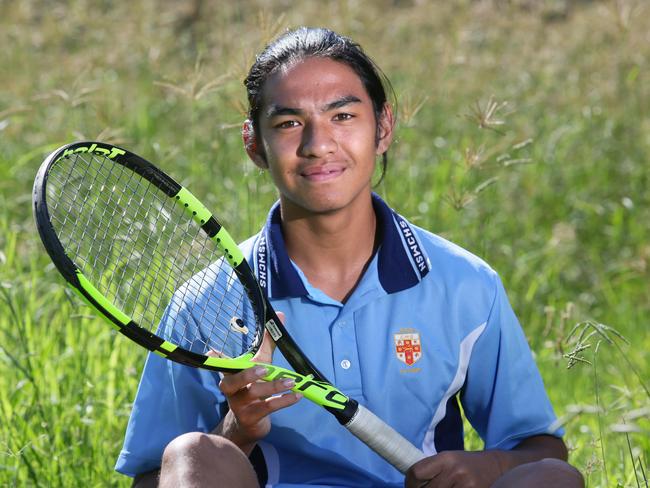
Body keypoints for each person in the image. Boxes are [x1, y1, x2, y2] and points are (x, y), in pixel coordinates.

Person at [116, 27, 584, 487]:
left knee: (553, 478)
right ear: (253, 143)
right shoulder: (207, 302)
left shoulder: (465, 284)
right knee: (193, 451)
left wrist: (487, 467)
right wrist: (237, 431)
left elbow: (538, 447)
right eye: (289, 123)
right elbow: (158, 478)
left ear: (383, 128)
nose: (318, 145)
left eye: (342, 117)